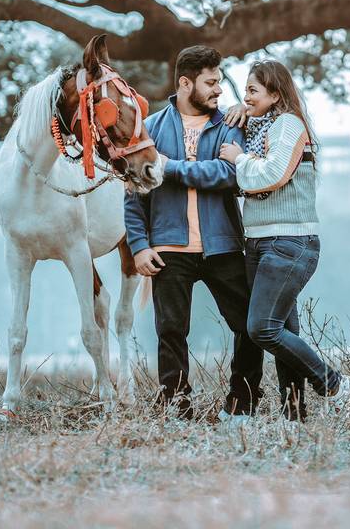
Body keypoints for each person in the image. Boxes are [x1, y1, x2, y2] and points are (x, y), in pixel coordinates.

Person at [124, 45, 262, 420]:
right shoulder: (149, 130)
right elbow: (134, 196)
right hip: (169, 247)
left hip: (223, 245)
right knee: (170, 331)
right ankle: (175, 406)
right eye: (211, 82)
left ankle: (242, 405)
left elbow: (229, 175)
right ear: (186, 83)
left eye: (219, 81)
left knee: (249, 326)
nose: (220, 89)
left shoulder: (230, 127)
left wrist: (170, 168)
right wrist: (138, 246)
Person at [220, 60, 350, 422]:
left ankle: (334, 382)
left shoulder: (288, 125)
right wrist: (239, 112)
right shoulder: (258, 126)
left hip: (290, 242)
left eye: (253, 90)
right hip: (260, 243)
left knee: (261, 328)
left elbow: (273, 174)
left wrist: (239, 159)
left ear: (275, 94)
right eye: (244, 90)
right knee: (284, 329)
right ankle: (294, 414)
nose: (245, 97)